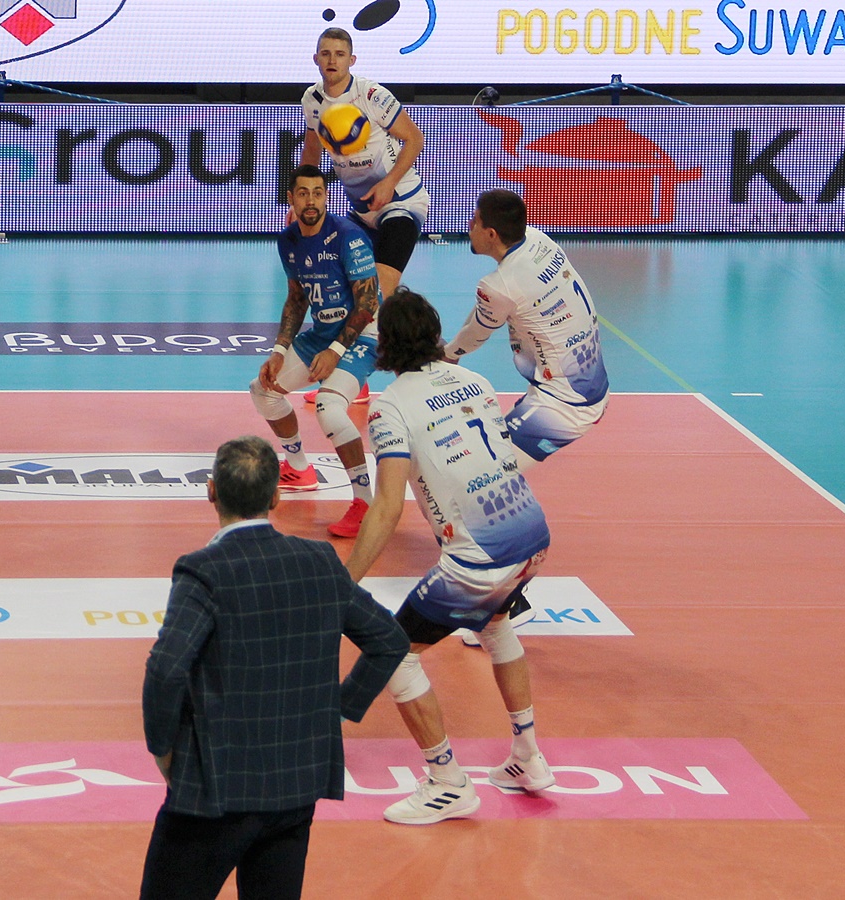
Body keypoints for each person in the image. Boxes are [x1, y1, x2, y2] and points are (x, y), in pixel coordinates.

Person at [140, 436, 408, 899]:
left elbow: (166, 669)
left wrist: (162, 749)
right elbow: (389, 639)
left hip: (213, 791)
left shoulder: (204, 570)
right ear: (276, 496)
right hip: (295, 788)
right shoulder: (320, 561)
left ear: (211, 491)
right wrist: (337, 711)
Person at [343, 289, 556, 826]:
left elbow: (387, 505)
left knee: (393, 652)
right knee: (496, 624)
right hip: (532, 537)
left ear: (385, 346)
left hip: (480, 557)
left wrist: (344, 580)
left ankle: (447, 783)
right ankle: (528, 757)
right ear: (434, 334)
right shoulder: (474, 381)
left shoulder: (390, 407)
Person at [444, 189, 610, 646]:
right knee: (486, 475)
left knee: (485, 482)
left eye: (474, 220)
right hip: (573, 386)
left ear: (490, 233)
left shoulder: (499, 285)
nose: (468, 225)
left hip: (564, 404)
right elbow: (493, 312)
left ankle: (510, 601)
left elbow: (477, 332)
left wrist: (446, 354)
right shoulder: (539, 241)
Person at [253, 163, 381, 539]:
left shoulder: (348, 237)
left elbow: (368, 303)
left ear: (326, 197)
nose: (311, 201)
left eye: (318, 193)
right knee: (263, 390)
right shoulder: (288, 240)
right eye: (303, 193)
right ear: (291, 199)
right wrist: (279, 349)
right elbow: (297, 299)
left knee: (328, 406)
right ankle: (299, 468)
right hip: (322, 333)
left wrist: (336, 350)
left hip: (363, 335)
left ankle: (365, 503)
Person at [300, 26, 429, 303]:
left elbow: (415, 139)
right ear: (316, 59)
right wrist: (301, 201)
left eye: (339, 54)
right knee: (336, 285)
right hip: (362, 212)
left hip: (401, 201)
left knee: (378, 291)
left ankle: (397, 328)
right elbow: (311, 155)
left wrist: (388, 183)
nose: (332, 60)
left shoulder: (371, 95)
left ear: (352, 60)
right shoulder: (312, 99)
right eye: (326, 54)